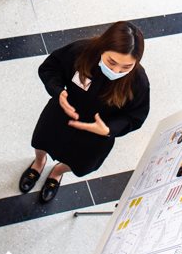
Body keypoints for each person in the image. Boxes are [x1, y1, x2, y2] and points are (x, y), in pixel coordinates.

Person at [20, 21, 150, 202]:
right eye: (111, 62)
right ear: (103, 48)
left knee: (78, 161)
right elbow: (50, 67)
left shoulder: (138, 81)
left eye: (126, 67)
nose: (116, 70)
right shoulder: (81, 51)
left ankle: (57, 172)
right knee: (42, 141)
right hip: (61, 115)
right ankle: (39, 163)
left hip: (96, 135)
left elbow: (136, 116)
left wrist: (108, 129)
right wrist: (58, 92)